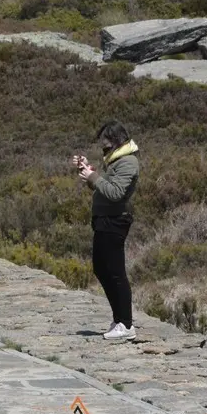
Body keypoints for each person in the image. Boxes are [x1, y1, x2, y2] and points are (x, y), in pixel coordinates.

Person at [72, 120, 140, 341]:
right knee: (101, 269)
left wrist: (93, 177)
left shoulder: (128, 163)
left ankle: (126, 323)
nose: (104, 148)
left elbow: (115, 193)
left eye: (106, 145)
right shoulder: (116, 161)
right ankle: (119, 319)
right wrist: (88, 172)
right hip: (104, 220)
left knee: (115, 272)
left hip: (115, 221)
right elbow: (105, 186)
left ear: (117, 141)